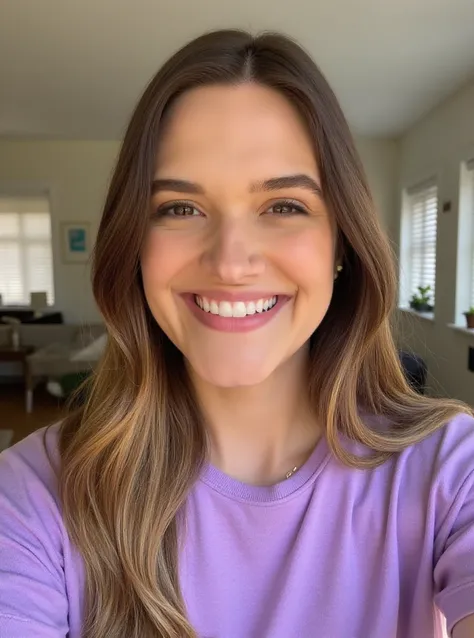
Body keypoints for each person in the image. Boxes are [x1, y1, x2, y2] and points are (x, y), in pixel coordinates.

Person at [0, 29, 473, 638]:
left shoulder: (450, 474)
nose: (230, 261)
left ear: (341, 245)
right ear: (135, 247)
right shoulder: (34, 496)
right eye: (180, 208)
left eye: (284, 206)